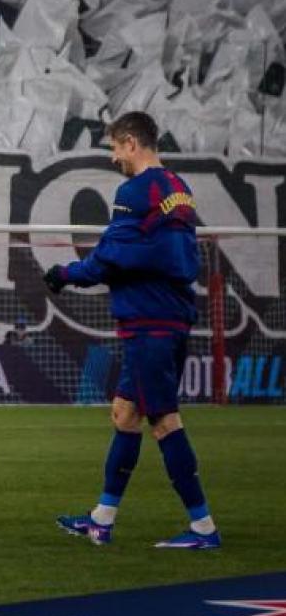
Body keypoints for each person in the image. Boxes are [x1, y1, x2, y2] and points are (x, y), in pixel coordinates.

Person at [50, 112, 219, 550]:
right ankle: (101, 521)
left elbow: (108, 258)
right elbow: (164, 254)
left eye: (114, 147)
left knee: (163, 421)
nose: (113, 157)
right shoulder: (178, 189)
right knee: (126, 413)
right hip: (171, 315)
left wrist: (64, 274)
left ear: (130, 143)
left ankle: (203, 528)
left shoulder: (135, 191)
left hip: (150, 322)